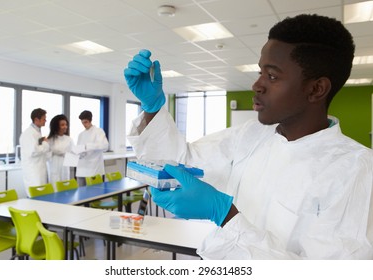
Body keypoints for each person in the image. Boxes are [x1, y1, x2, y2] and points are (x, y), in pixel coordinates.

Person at [124, 14, 373, 259]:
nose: (257, 85)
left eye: (272, 76)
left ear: (316, 89)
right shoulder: (251, 135)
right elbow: (180, 163)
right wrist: (152, 107)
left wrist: (226, 216)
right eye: (260, 72)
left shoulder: (355, 170)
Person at [19, 108, 50, 196]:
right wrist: (45, 143)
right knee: (35, 197)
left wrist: (43, 144)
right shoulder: (29, 134)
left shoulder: (36, 132)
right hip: (33, 172)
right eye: (44, 119)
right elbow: (34, 151)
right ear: (36, 119)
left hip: (38, 169)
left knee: (41, 196)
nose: (45, 121)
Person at [75, 110, 109, 186]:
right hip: (81, 169)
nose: (84, 124)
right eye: (82, 122)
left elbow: (105, 146)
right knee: (81, 195)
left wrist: (88, 146)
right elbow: (78, 149)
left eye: (86, 122)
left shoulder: (98, 131)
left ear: (90, 120)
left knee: (93, 194)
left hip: (93, 169)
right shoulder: (81, 134)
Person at [47, 114, 74, 189]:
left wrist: (62, 153)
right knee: (55, 188)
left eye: (66, 124)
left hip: (65, 169)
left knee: (65, 190)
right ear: (56, 126)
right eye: (62, 125)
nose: (65, 127)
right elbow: (46, 156)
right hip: (54, 168)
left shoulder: (69, 139)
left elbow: (73, 157)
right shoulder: (50, 140)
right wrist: (54, 152)